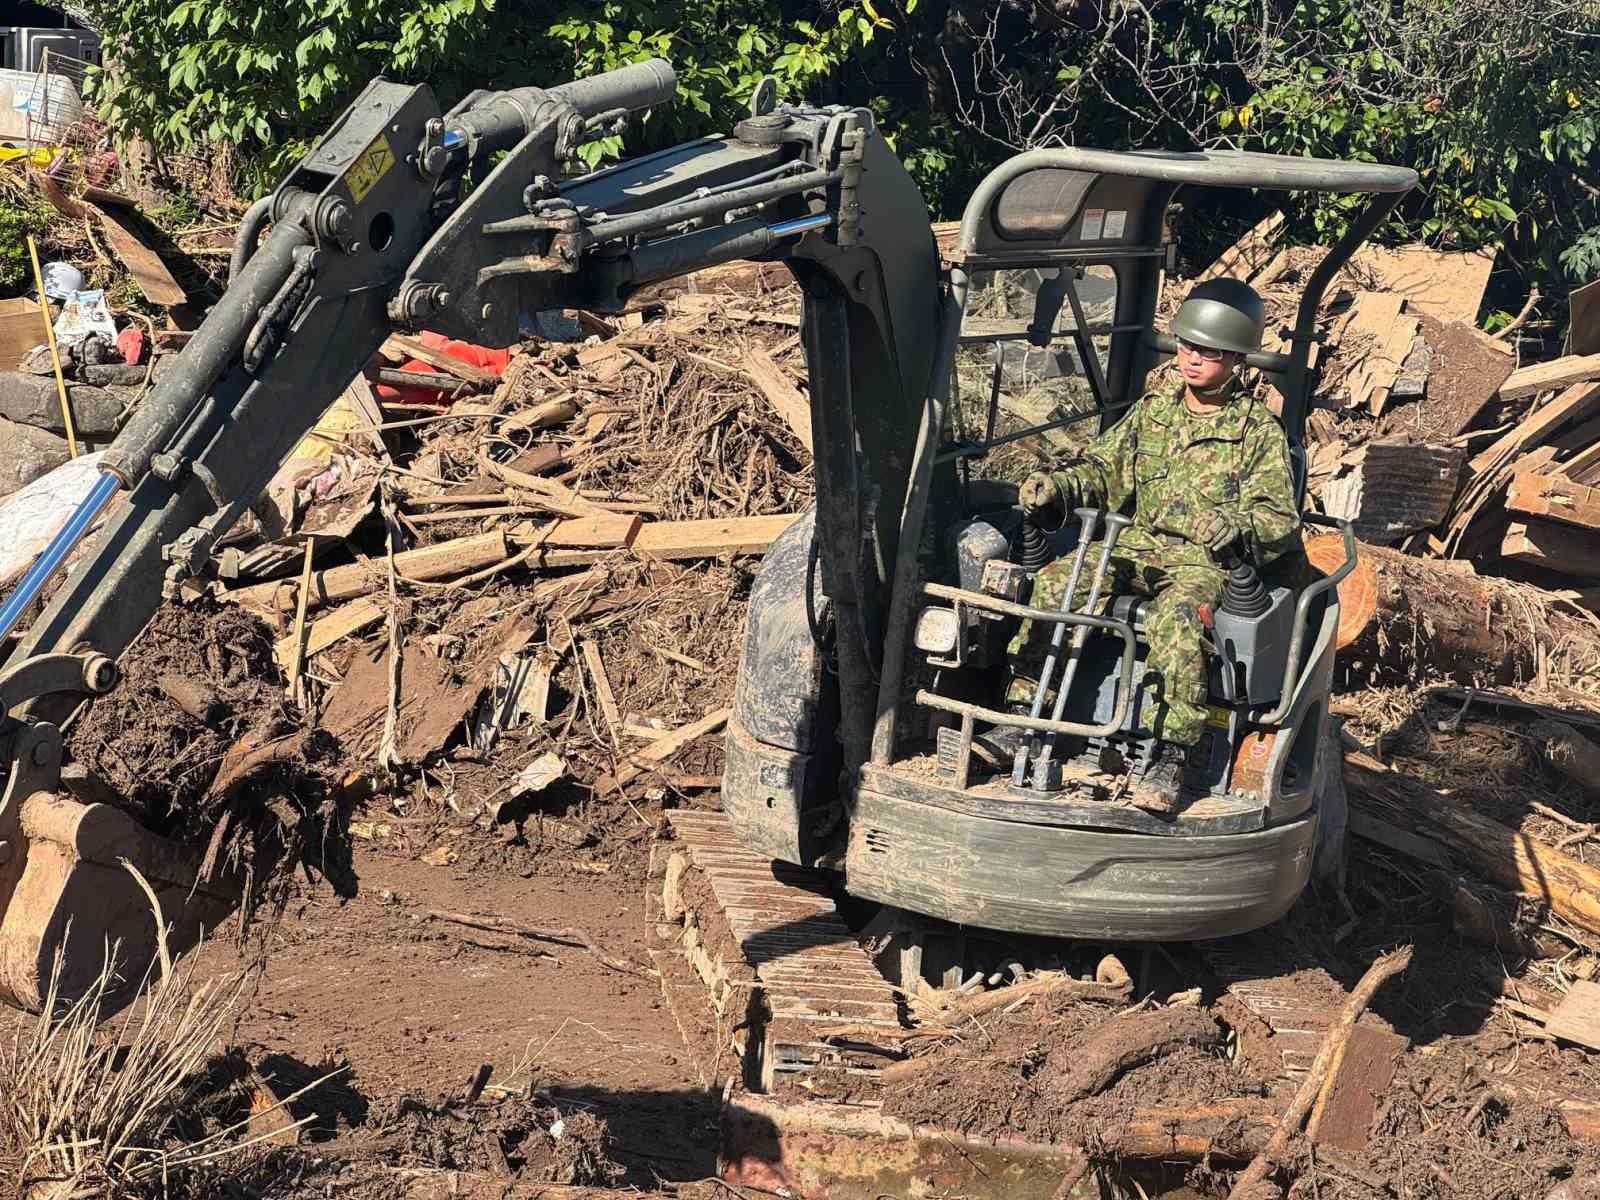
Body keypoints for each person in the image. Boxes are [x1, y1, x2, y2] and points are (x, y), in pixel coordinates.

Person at [1005, 278, 1300, 811]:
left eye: (1208, 352)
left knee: (1179, 616)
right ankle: (1024, 714)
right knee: (1054, 582)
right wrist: (1060, 487)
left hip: (1202, 562)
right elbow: (1103, 468)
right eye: (1187, 346)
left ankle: (1170, 750)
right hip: (1136, 544)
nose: (1191, 359)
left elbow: (1279, 518)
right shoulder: (1153, 412)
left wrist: (1239, 529)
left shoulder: (1257, 432)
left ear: (1236, 358)